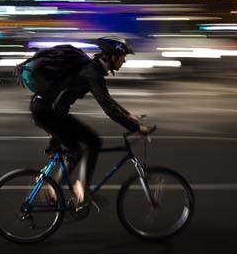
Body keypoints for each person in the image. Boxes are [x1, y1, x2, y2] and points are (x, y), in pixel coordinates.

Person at [29, 36, 149, 208]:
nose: (124, 61)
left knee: (75, 150)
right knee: (93, 142)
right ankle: (81, 190)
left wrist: (128, 115)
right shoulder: (92, 72)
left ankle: (54, 188)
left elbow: (107, 99)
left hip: (47, 110)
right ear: (113, 56)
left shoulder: (92, 69)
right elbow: (107, 107)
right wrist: (135, 127)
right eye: (123, 57)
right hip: (48, 113)